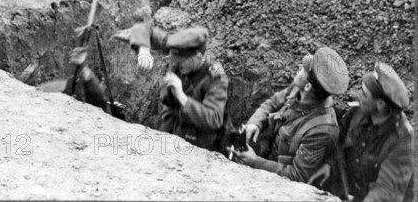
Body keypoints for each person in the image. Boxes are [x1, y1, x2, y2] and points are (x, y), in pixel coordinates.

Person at [229, 47, 349, 185]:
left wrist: (255, 162)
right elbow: (272, 103)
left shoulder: (322, 130)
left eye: (303, 70)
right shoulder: (300, 88)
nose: (299, 68)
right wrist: (255, 123)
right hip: (272, 159)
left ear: (308, 86)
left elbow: (298, 176)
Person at [310, 62, 414, 202]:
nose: (357, 95)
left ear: (380, 105)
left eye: (364, 94)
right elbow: (339, 144)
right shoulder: (358, 112)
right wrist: (329, 165)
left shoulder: (401, 137)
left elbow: (387, 191)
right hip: (356, 194)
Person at [128, 21, 228, 151]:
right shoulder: (177, 46)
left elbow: (214, 119)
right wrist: (144, 50)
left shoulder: (215, 77)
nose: (177, 65)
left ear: (198, 57)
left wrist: (181, 96)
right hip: (169, 130)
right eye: (174, 60)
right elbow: (142, 27)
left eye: (182, 62)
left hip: (196, 144)